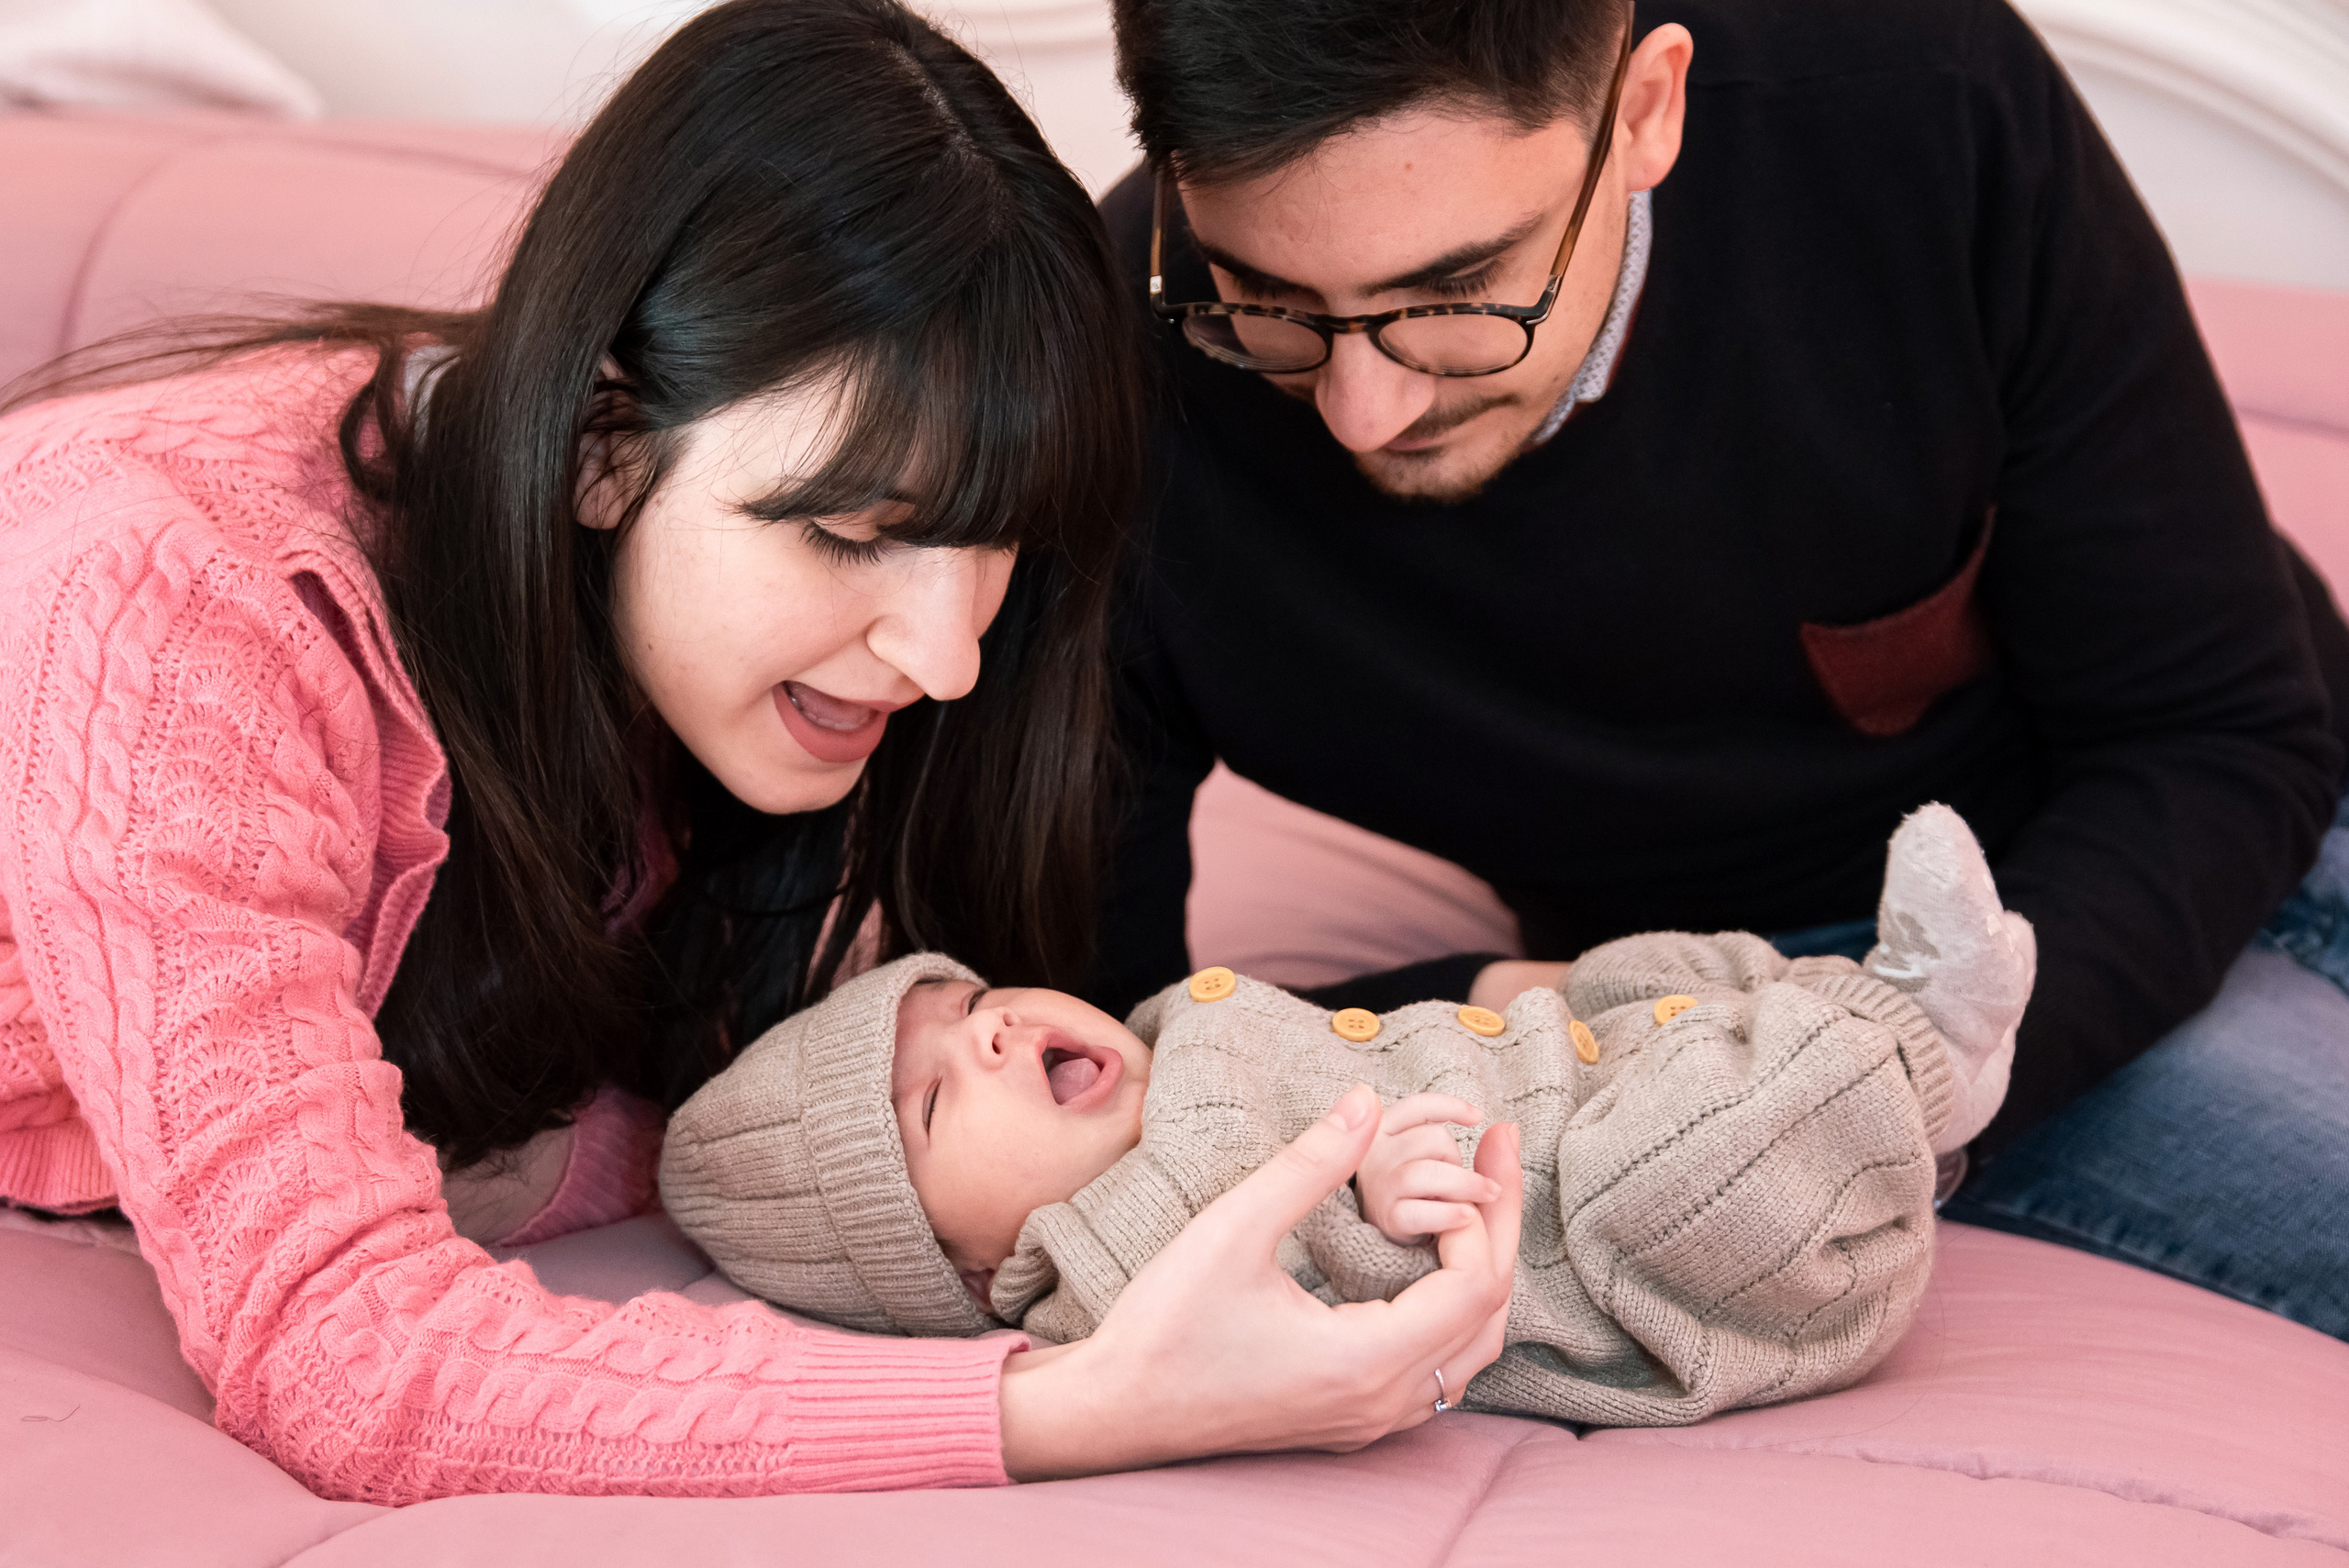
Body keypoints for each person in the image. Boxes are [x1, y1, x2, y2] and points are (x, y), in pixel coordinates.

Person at [0, 0, 1521, 1502]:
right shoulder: (170, 610)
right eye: (857, 535)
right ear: (605, 448)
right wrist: (1084, 1401)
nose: (948, 658)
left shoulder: (666, 624)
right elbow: (344, 1353)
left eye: (990, 542)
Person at [1085, 0, 2349, 1338]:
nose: (1364, 411)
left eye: (1456, 297)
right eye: (1269, 304)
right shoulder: (1111, 369)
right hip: (1789, 982)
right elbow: (1102, 1048)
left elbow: (2215, 727)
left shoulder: (1909, 93)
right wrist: (1469, 1011)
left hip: (2239, 773)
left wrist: (1927, 1052)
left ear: (1645, 110)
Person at [662, 804, 2033, 1423]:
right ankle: (1912, 1053)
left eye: (963, 1005)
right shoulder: (1109, 1263)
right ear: (959, 1266)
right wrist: (1370, 1219)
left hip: (1574, 1076)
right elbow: (1293, 1312)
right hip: (1625, 1246)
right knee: (1682, 1149)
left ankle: (1864, 1010)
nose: (997, 1029)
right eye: (938, 1094)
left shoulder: (1160, 1032)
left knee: (1648, 974)